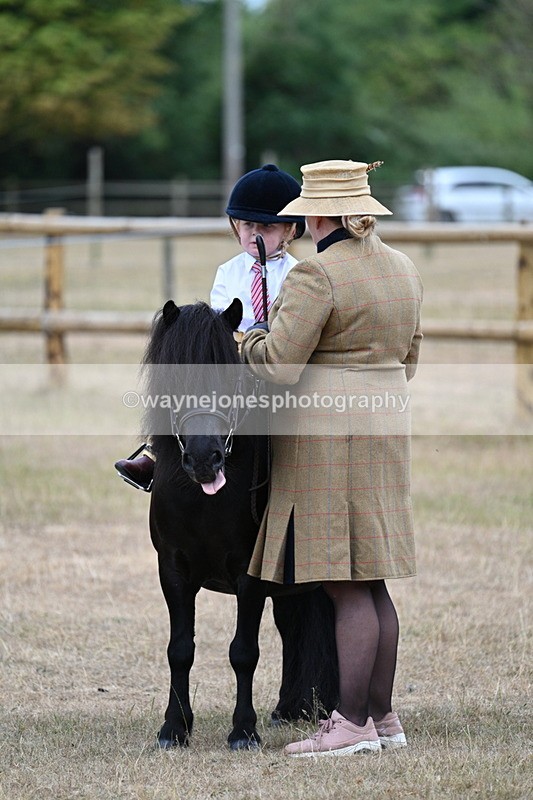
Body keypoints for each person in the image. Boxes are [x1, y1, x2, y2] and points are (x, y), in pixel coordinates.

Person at [240, 159, 423, 757]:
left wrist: (243, 338)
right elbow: (410, 357)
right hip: (386, 430)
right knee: (372, 582)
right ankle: (382, 717)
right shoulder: (403, 268)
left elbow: (280, 363)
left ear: (316, 215)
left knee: (344, 587)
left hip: (327, 440)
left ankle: (349, 725)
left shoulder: (316, 275)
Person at [114, 164, 305, 490]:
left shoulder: (298, 274)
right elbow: (219, 322)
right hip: (235, 359)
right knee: (190, 384)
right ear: (235, 225)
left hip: (276, 357)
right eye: (248, 225)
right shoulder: (228, 272)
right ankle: (158, 453)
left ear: (289, 230)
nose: (255, 234)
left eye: (268, 226)